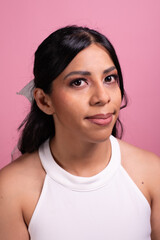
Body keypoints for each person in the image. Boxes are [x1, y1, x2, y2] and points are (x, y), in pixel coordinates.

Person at [0, 26, 160, 240]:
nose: (102, 97)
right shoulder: (9, 190)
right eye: (78, 82)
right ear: (43, 101)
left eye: (109, 79)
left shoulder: (152, 173)